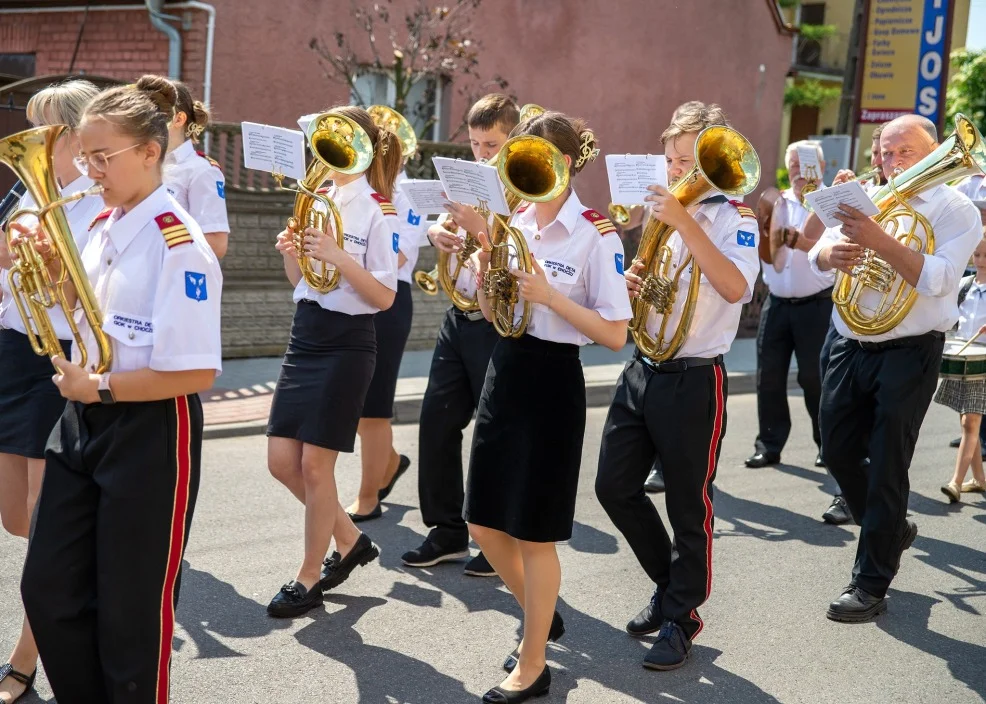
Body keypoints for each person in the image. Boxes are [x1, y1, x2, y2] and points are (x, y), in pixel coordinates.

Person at [18, 77, 222, 703]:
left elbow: (196, 373)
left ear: (150, 152)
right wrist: (49, 267)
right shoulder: (102, 223)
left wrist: (100, 386)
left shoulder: (179, 245)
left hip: (150, 426)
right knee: (48, 589)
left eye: (101, 156)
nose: (89, 169)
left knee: (132, 614)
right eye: (85, 155)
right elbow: (81, 309)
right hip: (82, 414)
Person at [466, 111, 631, 702]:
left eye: (537, 155)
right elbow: (493, 314)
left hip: (554, 381)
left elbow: (614, 334)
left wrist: (551, 296)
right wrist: (487, 272)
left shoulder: (597, 232)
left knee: (535, 536)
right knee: (483, 523)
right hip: (505, 370)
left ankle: (533, 663)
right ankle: (543, 612)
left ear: (564, 161)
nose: (525, 166)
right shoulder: (516, 219)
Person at [595, 101, 760, 671]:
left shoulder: (738, 218)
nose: (674, 171)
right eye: (669, 159)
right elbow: (648, 290)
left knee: (691, 505)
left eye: (686, 161)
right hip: (644, 366)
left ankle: (683, 614)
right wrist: (632, 284)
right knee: (613, 486)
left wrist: (685, 221)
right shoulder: (661, 216)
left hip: (695, 379)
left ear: (713, 164)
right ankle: (671, 588)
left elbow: (735, 286)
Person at [808, 114, 981, 622]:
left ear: (933, 151)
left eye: (905, 151)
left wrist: (879, 240)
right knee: (836, 449)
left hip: (910, 350)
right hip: (849, 340)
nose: (892, 162)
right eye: (885, 152)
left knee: (887, 462)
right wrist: (830, 254)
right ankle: (891, 529)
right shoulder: (867, 195)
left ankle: (870, 582)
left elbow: (941, 279)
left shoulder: (957, 209)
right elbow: (818, 253)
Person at [265, 105, 402, 618]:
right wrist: (291, 252)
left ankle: (308, 576)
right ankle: (351, 540)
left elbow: (384, 296)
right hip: (307, 334)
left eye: (340, 141)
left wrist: (340, 255)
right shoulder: (317, 197)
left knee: (315, 467)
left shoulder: (377, 209)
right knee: (282, 462)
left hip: (349, 342)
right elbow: (303, 283)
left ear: (363, 148)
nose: (330, 151)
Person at [0, 79, 102, 704]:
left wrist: (51, 263)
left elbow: (86, 299)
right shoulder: (24, 193)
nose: (35, 142)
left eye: (46, 131)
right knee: (15, 517)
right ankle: (83, 583)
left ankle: (25, 659)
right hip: (11, 350)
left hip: (55, 357)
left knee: (42, 525)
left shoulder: (94, 201)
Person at [400, 94, 519, 577]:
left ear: (513, 138)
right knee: (437, 421)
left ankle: (495, 541)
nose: (482, 155)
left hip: (498, 326)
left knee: (493, 438)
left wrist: (484, 236)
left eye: (491, 144)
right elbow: (440, 221)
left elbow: (520, 257)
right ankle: (447, 530)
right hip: (459, 316)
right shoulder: (466, 179)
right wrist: (437, 235)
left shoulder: (525, 186)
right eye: (474, 143)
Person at [346, 117, 427, 522]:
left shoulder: (405, 192)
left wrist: (345, 258)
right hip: (355, 294)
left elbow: (399, 255)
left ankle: (369, 497)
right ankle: (390, 463)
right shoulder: (356, 189)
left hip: (389, 300)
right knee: (359, 403)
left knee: (373, 409)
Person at [746, 140, 833, 471]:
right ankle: (768, 445)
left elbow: (822, 247)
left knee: (815, 378)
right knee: (768, 377)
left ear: (821, 168)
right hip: (778, 303)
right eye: (794, 165)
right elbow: (764, 250)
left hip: (817, 305)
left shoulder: (830, 201)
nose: (799, 171)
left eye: (806, 164)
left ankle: (826, 443)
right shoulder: (777, 202)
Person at [144, 75, 230, 260]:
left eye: (150, 114)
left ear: (178, 119)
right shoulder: (142, 163)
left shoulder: (201, 171)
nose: (141, 123)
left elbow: (215, 243)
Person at [937, 237, 986, 502]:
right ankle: (979, 479)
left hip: (983, 364)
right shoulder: (965, 285)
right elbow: (951, 319)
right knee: (967, 422)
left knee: (970, 422)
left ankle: (956, 482)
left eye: (985, 256)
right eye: (977, 254)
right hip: (964, 357)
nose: (980, 261)